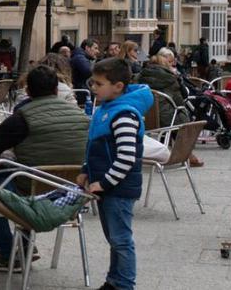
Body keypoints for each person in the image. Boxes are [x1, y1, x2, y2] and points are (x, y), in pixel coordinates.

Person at [0, 65, 89, 272]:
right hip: (70, 189)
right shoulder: (81, 115)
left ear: (28, 91)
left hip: (31, 188)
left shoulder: (22, 118)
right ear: (57, 91)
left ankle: (9, 253)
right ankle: (17, 245)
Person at [76, 58, 148, 290]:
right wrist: (86, 170)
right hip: (109, 186)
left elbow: (126, 158)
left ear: (117, 86)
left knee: (121, 240)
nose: (94, 88)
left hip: (118, 187)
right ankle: (114, 280)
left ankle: (125, 284)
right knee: (114, 239)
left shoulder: (124, 115)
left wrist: (104, 183)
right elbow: (95, 146)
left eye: (99, 83)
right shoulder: (108, 109)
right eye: (92, 82)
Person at [134, 48, 183, 130]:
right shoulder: (171, 79)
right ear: (166, 65)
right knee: (183, 115)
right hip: (166, 121)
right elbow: (179, 102)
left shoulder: (138, 77)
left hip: (141, 117)